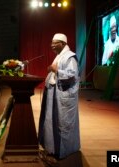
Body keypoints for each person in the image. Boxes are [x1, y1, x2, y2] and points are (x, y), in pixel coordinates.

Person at [38, 33, 80, 163]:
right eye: (51, 42)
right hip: (53, 94)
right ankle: (51, 148)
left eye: (54, 42)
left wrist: (56, 71)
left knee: (62, 124)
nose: (52, 45)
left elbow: (72, 75)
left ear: (63, 43)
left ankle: (62, 151)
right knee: (51, 122)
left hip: (63, 98)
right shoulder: (59, 56)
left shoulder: (70, 57)